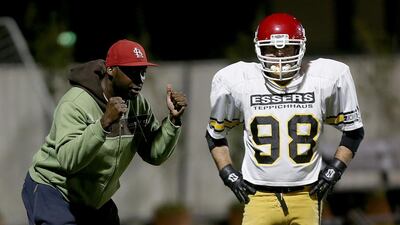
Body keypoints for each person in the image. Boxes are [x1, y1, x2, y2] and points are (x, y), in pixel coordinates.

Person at [205, 13, 364, 225]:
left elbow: (354, 131)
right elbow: (214, 134)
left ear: (300, 47)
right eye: (271, 48)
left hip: (306, 195)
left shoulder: (323, 78)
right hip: (259, 195)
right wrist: (228, 174)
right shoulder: (239, 81)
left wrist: (335, 170)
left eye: (287, 47)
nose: (279, 55)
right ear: (260, 49)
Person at [21, 39, 187, 225]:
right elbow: (68, 160)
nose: (140, 79)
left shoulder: (138, 104)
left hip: (94, 200)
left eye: (143, 72)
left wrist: (173, 121)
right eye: (132, 72)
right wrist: (103, 123)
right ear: (111, 70)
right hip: (54, 190)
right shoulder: (76, 103)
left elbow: (154, 154)